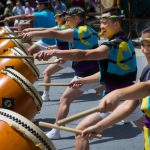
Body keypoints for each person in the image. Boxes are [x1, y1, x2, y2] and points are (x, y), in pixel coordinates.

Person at [34, 7, 144, 145]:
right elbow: (110, 73)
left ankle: (56, 131)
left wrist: (55, 53)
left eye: (104, 22)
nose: (101, 26)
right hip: (129, 98)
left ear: (116, 24)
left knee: (81, 132)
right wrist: (84, 80)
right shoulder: (126, 42)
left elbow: (84, 55)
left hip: (116, 99)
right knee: (145, 128)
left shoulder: (113, 46)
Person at [22, 6, 101, 139]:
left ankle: (56, 131)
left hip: (86, 74)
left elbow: (54, 34)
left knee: (65, 99)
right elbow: (53, 33)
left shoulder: (80, 32)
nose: (66, 21)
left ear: (77, 18)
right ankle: (129, 111)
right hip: (93, 72)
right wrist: (32, 30)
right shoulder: (86, 30)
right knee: (107, 92)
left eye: (69, 19)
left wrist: (34, 34)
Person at [80, 27, 150, 150]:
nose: (145, 50)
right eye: (143, 45)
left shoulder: (118, 45)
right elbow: (128, 105)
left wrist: (117, 94)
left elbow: (146, 87)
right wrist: (99, 126)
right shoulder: (147, 71)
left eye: (149, 44)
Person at [41, 11, 72, 101]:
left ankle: (46, 96)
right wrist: (54, 47)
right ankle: (102, 91)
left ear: (62, 18)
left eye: (57, 17)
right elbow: (65, 44)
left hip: (68, 57)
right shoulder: (65, 28)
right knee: (92, 83)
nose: (55, 19)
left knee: (46, 73)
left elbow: (46, 31)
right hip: (68, 57)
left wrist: (30, 31)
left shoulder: (62, 28)